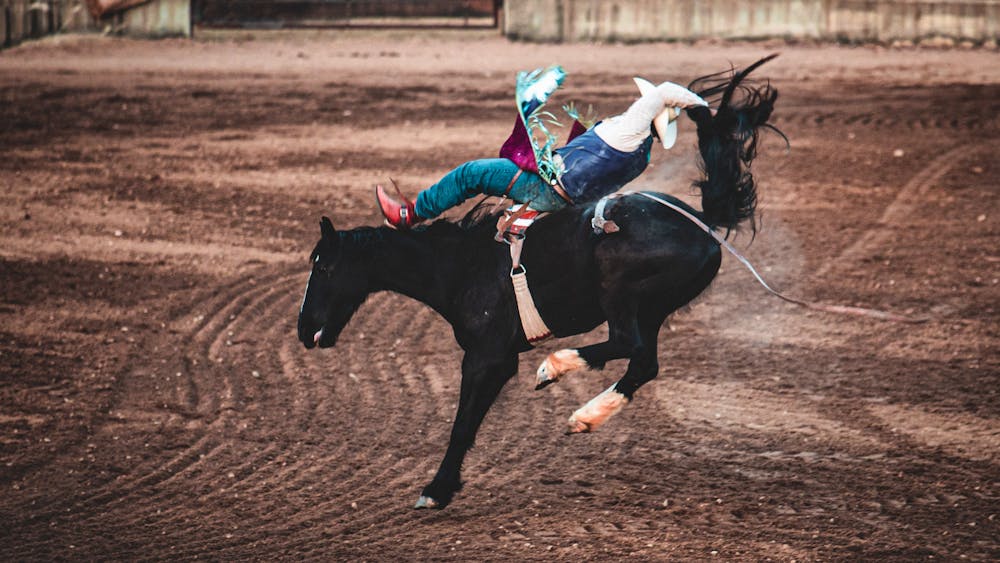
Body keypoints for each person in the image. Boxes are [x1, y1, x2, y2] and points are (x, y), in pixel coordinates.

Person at [375, 66, 709, 229]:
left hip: (545, 187)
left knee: (470, 174)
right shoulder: (641, 154)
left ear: (651, 116)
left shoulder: (631, 126)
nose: (639, 101)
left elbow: (662, 90)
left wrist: (702, 108)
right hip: (566, 204)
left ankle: (411, 214)